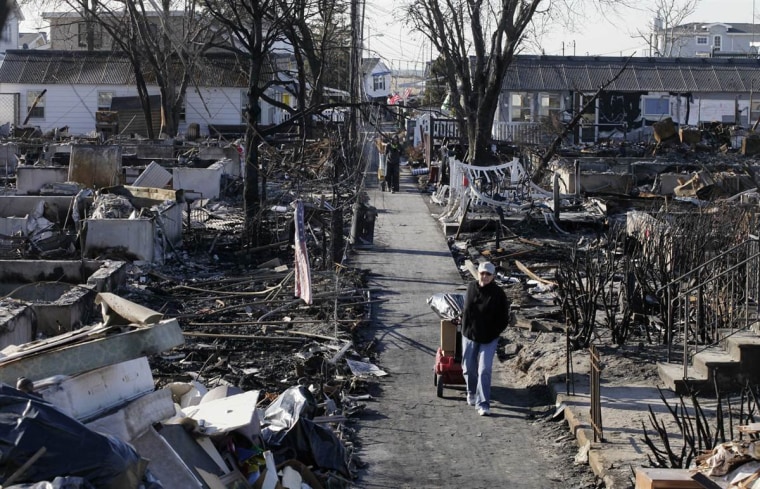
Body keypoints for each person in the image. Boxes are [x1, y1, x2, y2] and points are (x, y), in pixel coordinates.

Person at [460, 261, 510, 416]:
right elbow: (466, 309)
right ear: (478, 274)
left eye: (488, 274)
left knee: (484, 370)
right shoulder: (471, 288)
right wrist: (463, 324)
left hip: (489, 337)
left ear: (493, 276)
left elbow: (504, 318)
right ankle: (471, 391)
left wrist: (495, 331)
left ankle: (483, 403)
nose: (485, 276)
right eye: (482, 273)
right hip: (469, 335)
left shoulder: (498, 293)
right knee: (468, 368)